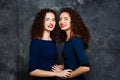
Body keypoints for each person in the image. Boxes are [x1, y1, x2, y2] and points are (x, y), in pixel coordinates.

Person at [28, 8, 71, 80]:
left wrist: (64, 66)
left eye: (53, 20)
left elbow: (49, 63)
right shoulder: (36, 42)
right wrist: (57, 74)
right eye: (47, 19)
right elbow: (32, 71)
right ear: (41, 22)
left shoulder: (53, 41)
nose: (51, 22)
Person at [52, 8, 90, 80]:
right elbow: (74, 61)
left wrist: (65, 75)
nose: (62, 21)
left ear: (73, 21)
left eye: (66, 19)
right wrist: (63, 66)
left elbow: (85, 67)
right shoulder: (68, 40)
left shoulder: (75, 40)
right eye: (60, 19)